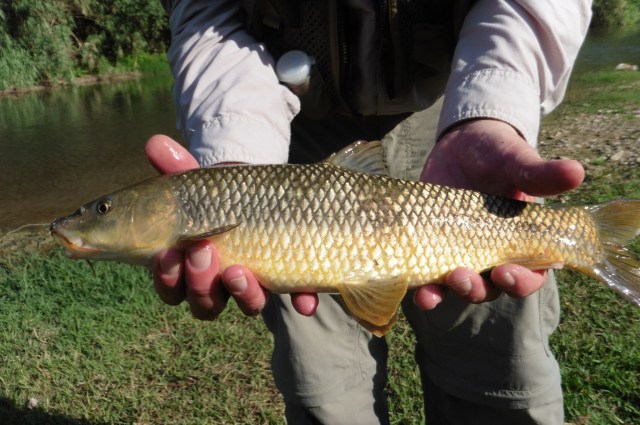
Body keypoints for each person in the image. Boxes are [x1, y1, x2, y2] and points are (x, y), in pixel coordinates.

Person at [148, 1, 591, 423]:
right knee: (324, 389)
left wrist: (491, 110)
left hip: (454, 100)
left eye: (103, 209)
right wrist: (232, 148)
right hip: (283, 127)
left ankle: (587, 239)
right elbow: (207, 14)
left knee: (498, 376)